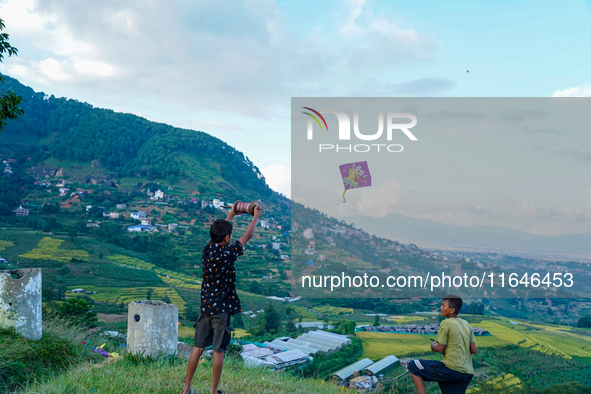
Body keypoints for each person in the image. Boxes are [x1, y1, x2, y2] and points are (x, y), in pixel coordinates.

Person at [181, 203, 263, 394]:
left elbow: (219, 233)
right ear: (227, 238)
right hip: (221, 310)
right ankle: (213, 391)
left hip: (205, 307)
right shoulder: (229, 253)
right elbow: (248, 236)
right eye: (230, 235)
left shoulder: (207, 249)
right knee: (218, 350)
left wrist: (231, 214)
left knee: (197, 348)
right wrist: (256, 216)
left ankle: (186, 389)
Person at [408, 295, 477, 394]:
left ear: (451, 310)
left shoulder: (446, 323)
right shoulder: (466, 324)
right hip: (467, 373)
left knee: (413, 365)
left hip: (451, 369)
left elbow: (440, 349)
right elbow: (474, 350)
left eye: (443, 306)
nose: (440, 308)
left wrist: (433, 347)